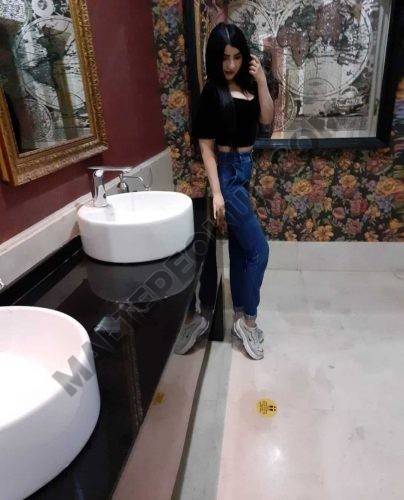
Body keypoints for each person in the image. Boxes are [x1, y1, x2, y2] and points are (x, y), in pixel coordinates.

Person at [193, 22, 274, 360]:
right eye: (225, 58)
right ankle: (249, 322)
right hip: (227, 175)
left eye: (237, 57)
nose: (230, 64)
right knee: (259, 251)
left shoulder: (249, 87)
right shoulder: (213, 93)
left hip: (244, 172)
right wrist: (217, 193)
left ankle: (239, 314)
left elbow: (266, 119)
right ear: (216, 58)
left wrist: (262, 80)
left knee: (241, 252)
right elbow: (206, 146)